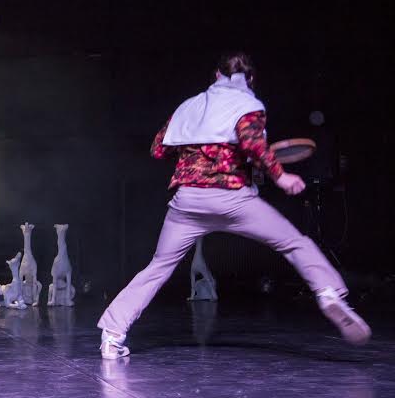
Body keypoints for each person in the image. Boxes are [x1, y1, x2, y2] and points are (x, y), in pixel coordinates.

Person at [98, 52, 370, 358]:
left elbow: (158, 149)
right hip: (231, 199)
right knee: (294, 243)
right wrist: (281, 177)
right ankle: (328, 293)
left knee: (158, 268)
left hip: (188, 201)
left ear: (217, 75)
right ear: (250, 79)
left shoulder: (189, 107)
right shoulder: (247, 106)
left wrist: (196, 146)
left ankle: (112, 334)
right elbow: (253, 144)